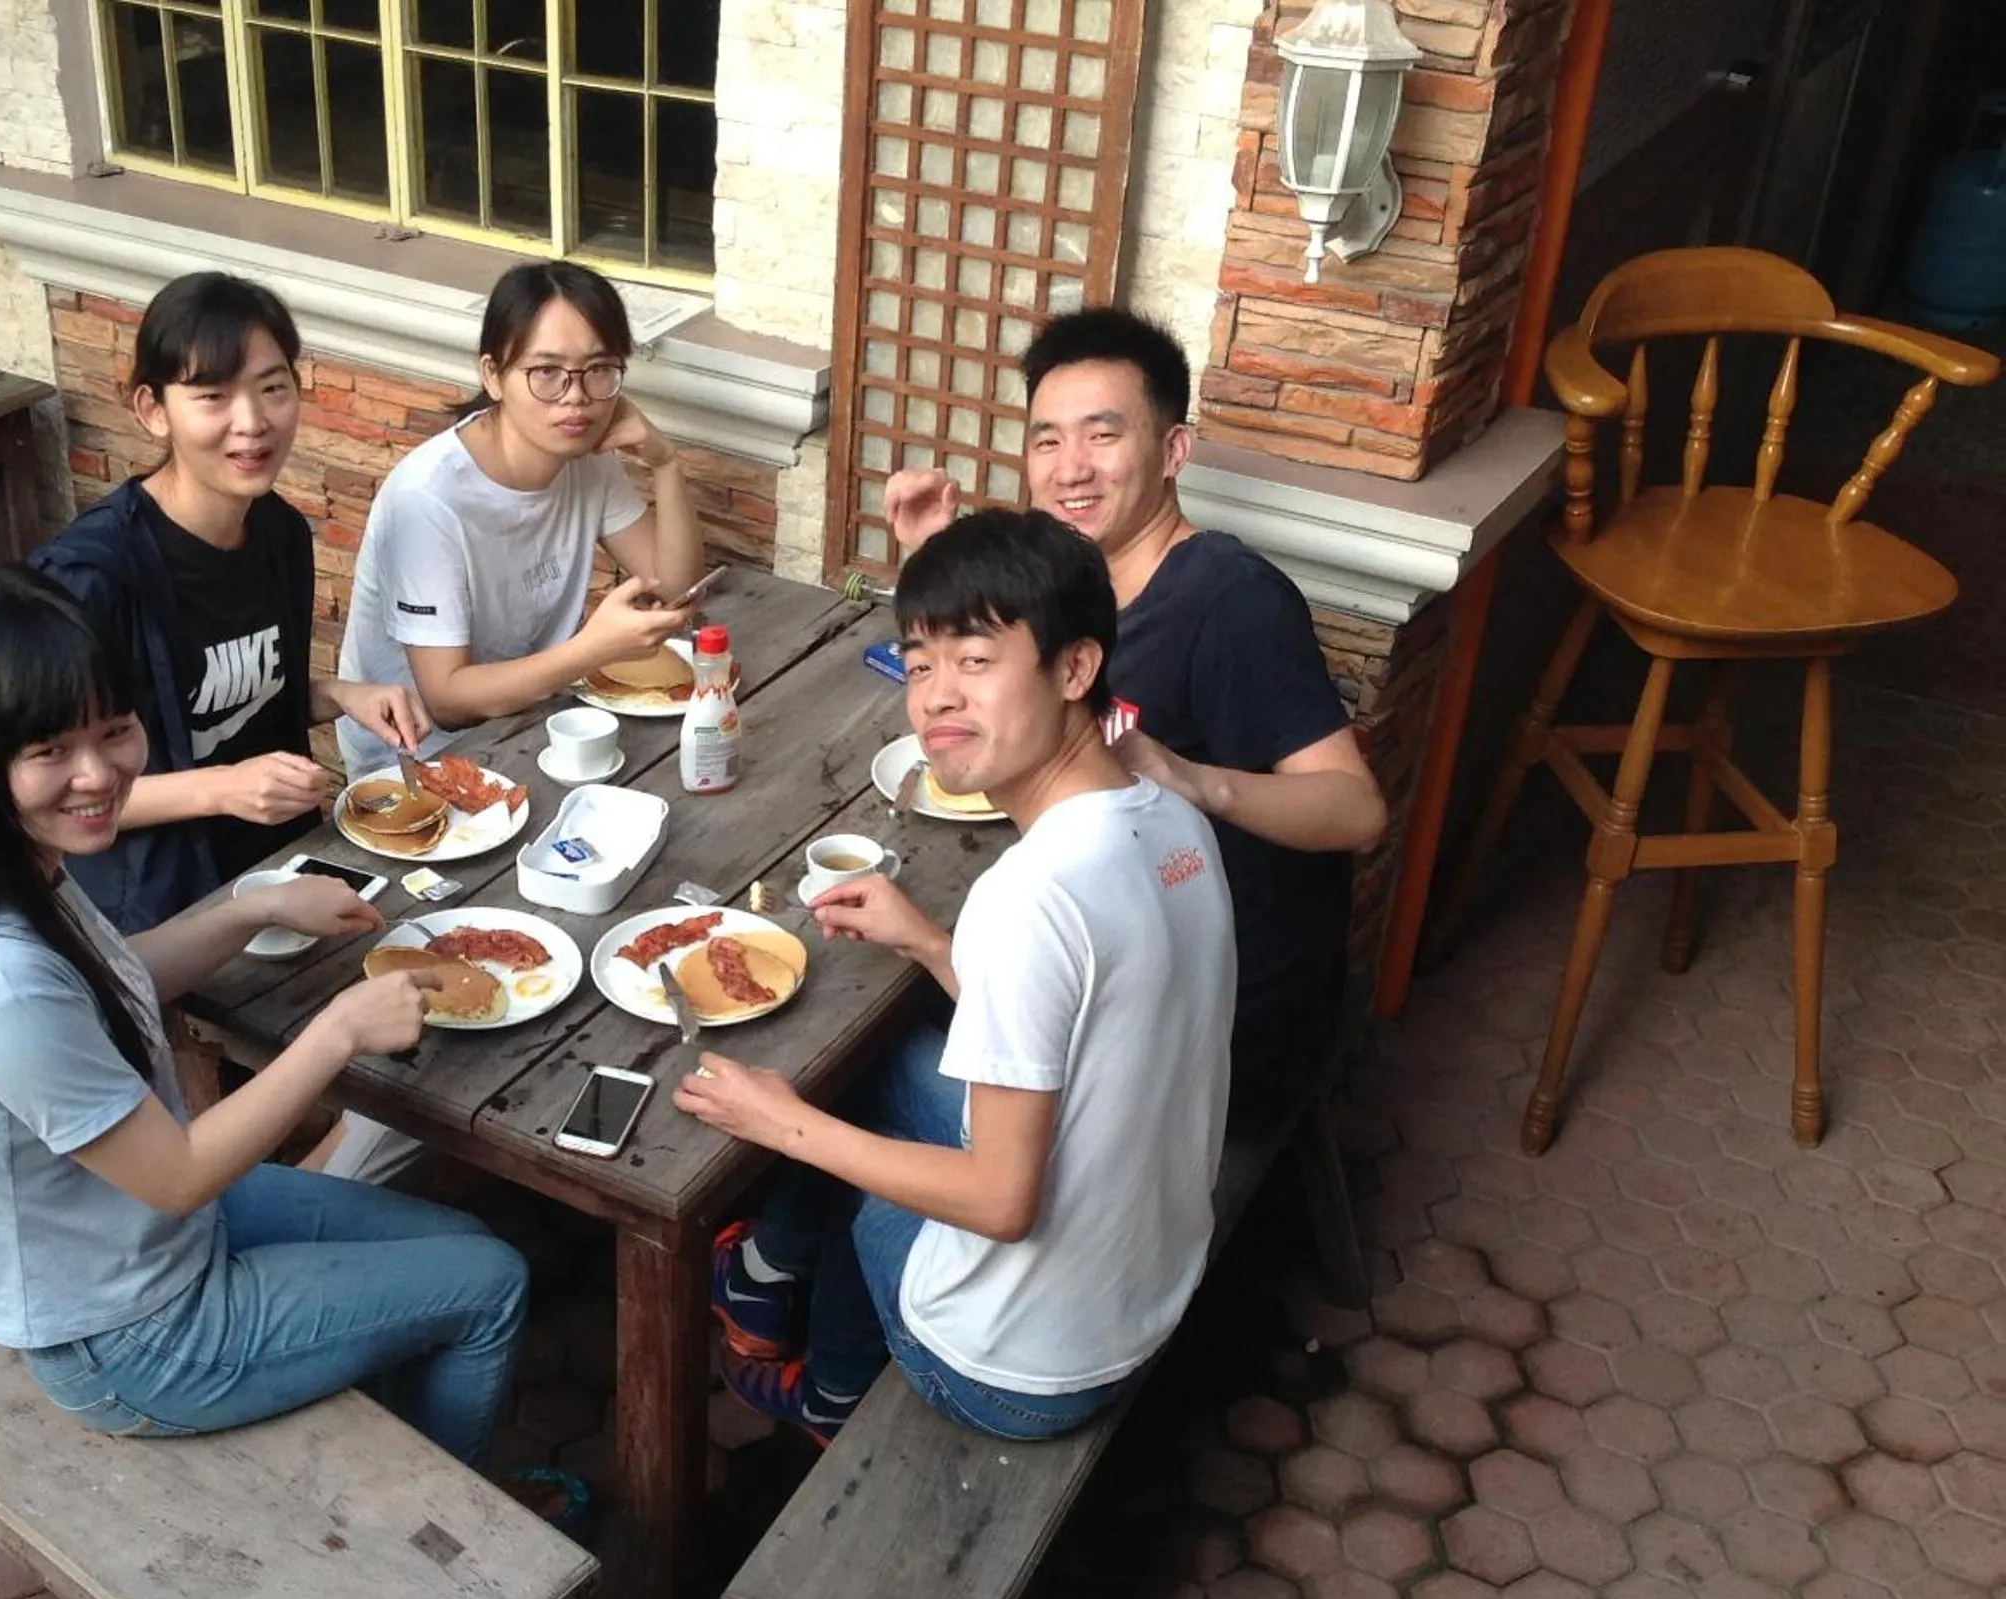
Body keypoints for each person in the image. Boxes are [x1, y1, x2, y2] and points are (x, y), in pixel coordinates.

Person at [0, 568, 526, 1461]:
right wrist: (338, 1029)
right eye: (51, 750)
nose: (99, 775)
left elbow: (113, 978)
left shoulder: (0, 865)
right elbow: (178, 1173)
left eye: (115, 730)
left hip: (154, 1236)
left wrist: (253, 908)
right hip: (129, 1333)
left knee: (460, 1239)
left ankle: (366, 1395)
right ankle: (427, 1513)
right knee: (490, 1282)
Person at [672, 511, 1235, 1444]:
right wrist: (935, 947)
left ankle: (825, 1395)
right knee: (879, 1063)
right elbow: (1091, 1026)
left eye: (975, 661)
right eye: (920, 664)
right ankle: (767, 1279)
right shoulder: (1171, 818)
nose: (936, 698)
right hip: (1143, 1285)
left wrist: (781, 1124)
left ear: (1075, 668)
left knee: (860, 1175)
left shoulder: (1030, 895)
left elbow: (998, 1201)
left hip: (1018, 1370)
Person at [884, 308, 1385, 1136]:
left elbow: (1358, 809)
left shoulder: (1229, 598)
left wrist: (1198, 782)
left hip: (1212, 1040)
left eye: (1102, 434)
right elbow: (995, 691)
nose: (1070, 468)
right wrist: (944, 567)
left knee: (874, 1048)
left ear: (1173, 450)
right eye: (1047, 440)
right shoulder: (1077, 590)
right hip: (1127, 957)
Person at [32, 271, 430, 937]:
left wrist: (340, 694)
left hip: (281, 867)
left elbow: (235, 701)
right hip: (155, 907)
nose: (252, 423)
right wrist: (223, 787)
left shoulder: (279, 533)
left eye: (272, 388)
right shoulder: (91, 578)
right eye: (213, 395)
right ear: (153, 409)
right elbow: (49, 793)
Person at [331, 260, 708, 775]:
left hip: (533, 723)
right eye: (546, 372)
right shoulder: (427, 500)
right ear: (493, 375)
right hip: (419, 762)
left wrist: (665, 463)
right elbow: (447, 702)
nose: (576, 396)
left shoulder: (586, 458)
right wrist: (592, 650)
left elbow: (677, 590)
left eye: (599, 369)